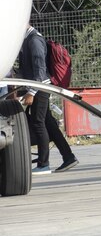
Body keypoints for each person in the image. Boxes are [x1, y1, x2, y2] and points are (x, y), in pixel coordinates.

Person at [16, 26, 78, 174]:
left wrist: (31, 92)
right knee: (48, 123)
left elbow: (40, 69)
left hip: (40, 87)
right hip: (37, 87)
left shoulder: (34, 40)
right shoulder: (28, 39)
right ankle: (68, 157)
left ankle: (43, 164)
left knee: (38, 123)